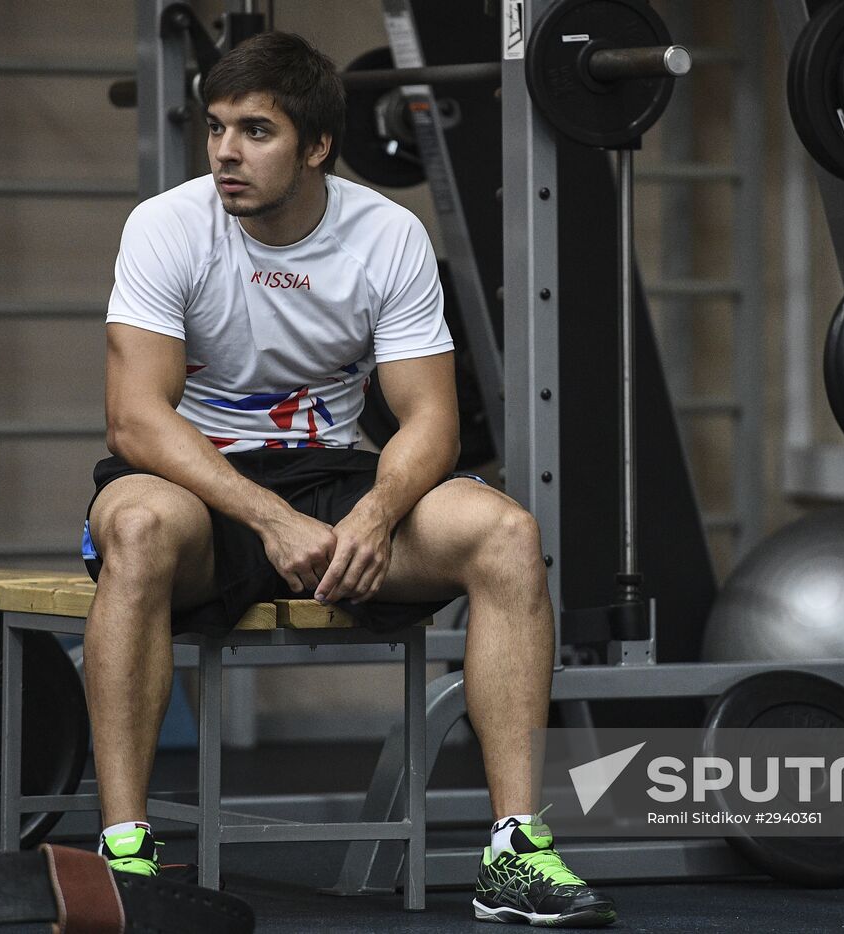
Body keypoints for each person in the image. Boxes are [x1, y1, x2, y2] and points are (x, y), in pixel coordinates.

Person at [77, 31, 617, 928]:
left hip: (333, 476)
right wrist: (265, 518)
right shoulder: (167, 225)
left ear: (318, 145)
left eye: (255, 131)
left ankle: (515, 850)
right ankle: (127, 851)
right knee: (135, 525)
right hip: (194, 485)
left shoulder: (386, 235)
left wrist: (376, 512)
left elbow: (432, 420)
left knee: (507, 534)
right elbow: (136, 418)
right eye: (216, 128)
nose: (225, 153)